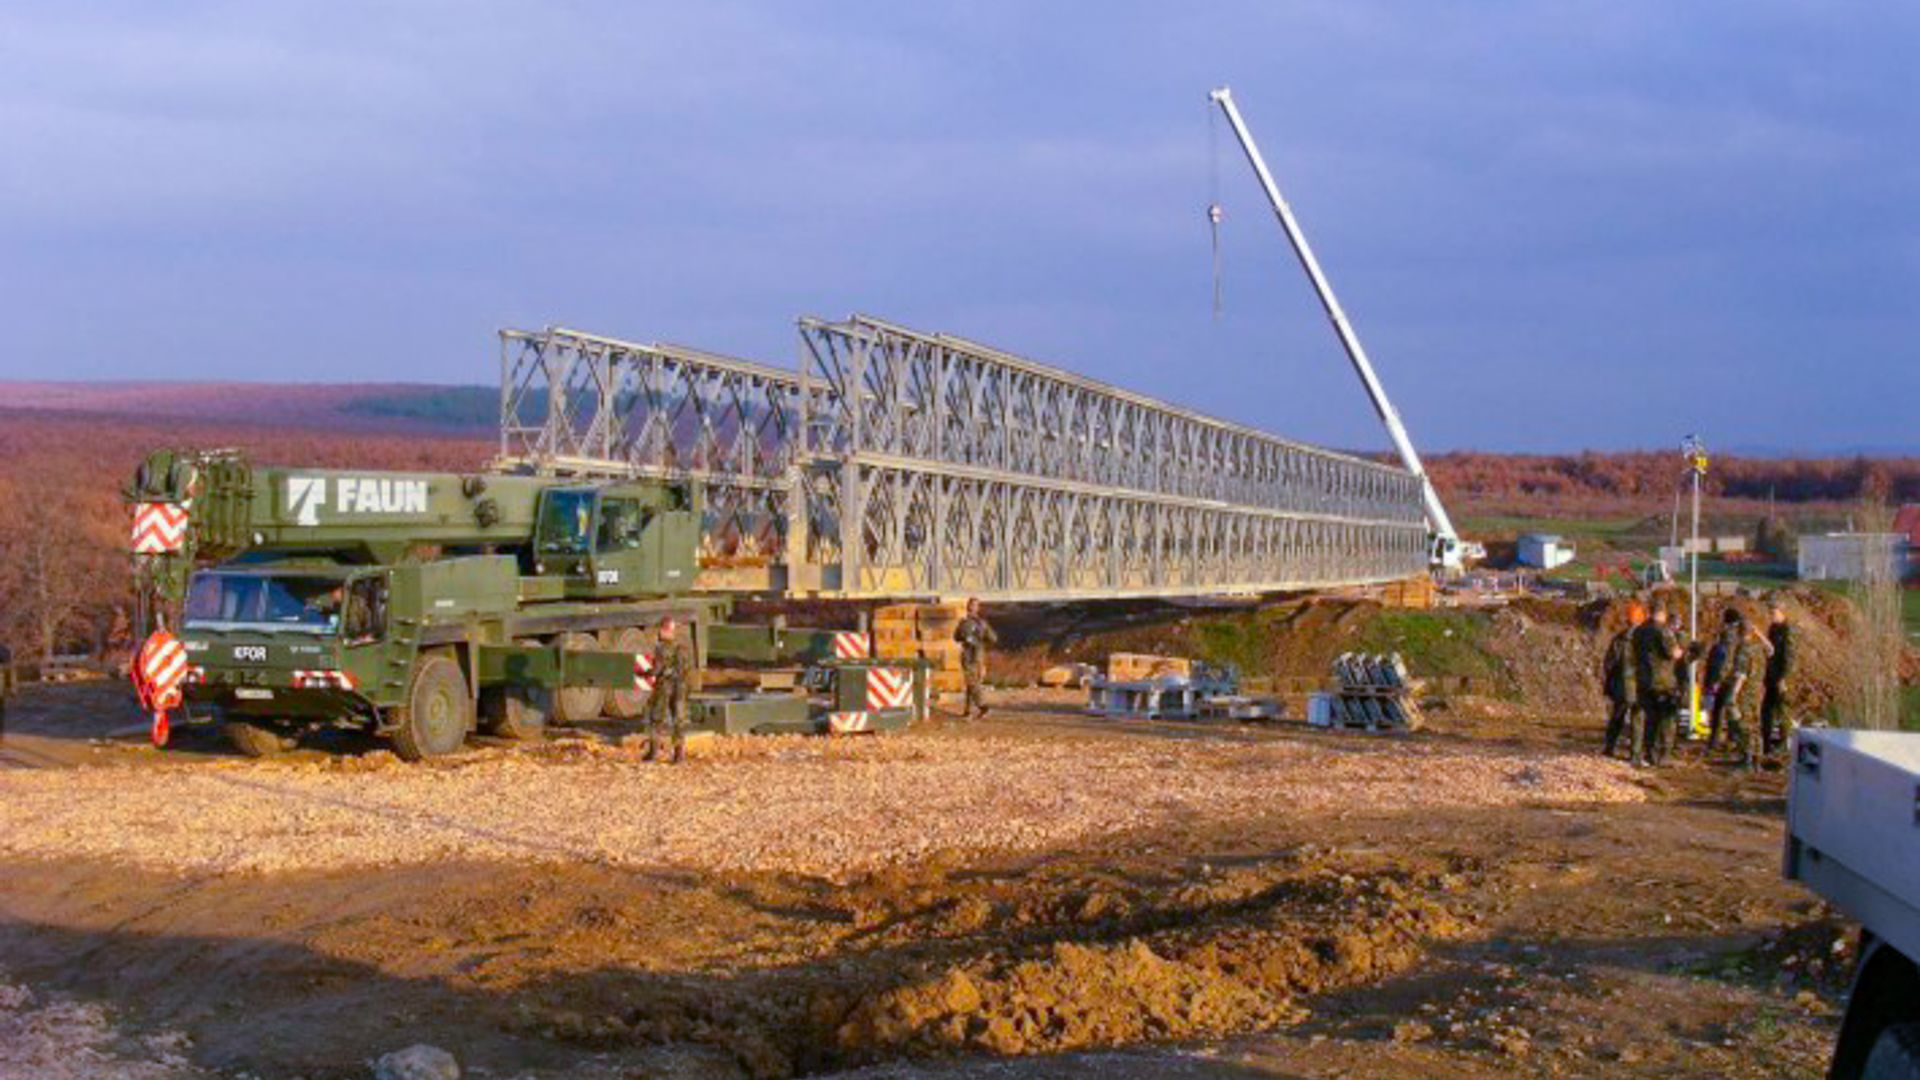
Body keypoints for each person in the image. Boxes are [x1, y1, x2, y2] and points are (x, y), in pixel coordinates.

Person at [1632, 601, 1685, 766]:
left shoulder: (1639, 630)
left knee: (1650, 719)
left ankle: (1650, 753)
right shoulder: (1663, 631)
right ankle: (1664, 755)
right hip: (1663, 682)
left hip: (1643, 680)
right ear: (1663, 613)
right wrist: (1682, 650)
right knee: (1667, 719)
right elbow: (1673, 653)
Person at [643, 616, 691, 763]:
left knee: (656, 717)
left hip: (665, 686)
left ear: (664, 630)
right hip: (681, 687)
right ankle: (679, 754)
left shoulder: (661, 647)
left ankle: (653, 752)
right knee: (679, 719)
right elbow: (686, 668)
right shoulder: (682, 647)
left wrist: (647, 673)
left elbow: (657, 668)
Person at [1602, 602, 1644, 760]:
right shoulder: (1646, 640)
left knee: (1617, 717)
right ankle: (1635, 754)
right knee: (1638, 719)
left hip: (1622, 685)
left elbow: (1609, 663)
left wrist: (1612, 681)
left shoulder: (1619, 639)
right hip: (1640, 686)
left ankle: (1609, 747)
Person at [1762, 600, 1796, 760]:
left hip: (1781, 677)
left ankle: (1783, 745)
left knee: (1783, 712)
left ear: (1782, 612)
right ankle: (1766, 745)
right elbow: (1771, 651)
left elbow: (1790, 658)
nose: (1771, 615)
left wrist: (1783, 678)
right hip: (1771, 675)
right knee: (1766, 711)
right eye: (1770, 612)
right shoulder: (1773, 629)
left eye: (1774, 613)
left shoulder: (1788, 630)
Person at [953, 598, 998, 721]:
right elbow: (993, 638)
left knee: (972, 683)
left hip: (970, 656)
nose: (972, 607)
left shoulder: (967, 623)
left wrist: (975, 640)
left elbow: (956, 637)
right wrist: (981, 641)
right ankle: (968, 712)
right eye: (972, 605)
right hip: (977, 655)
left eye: (973, 605)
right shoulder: (980, 623)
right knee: (971, 684)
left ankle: (983, 707)